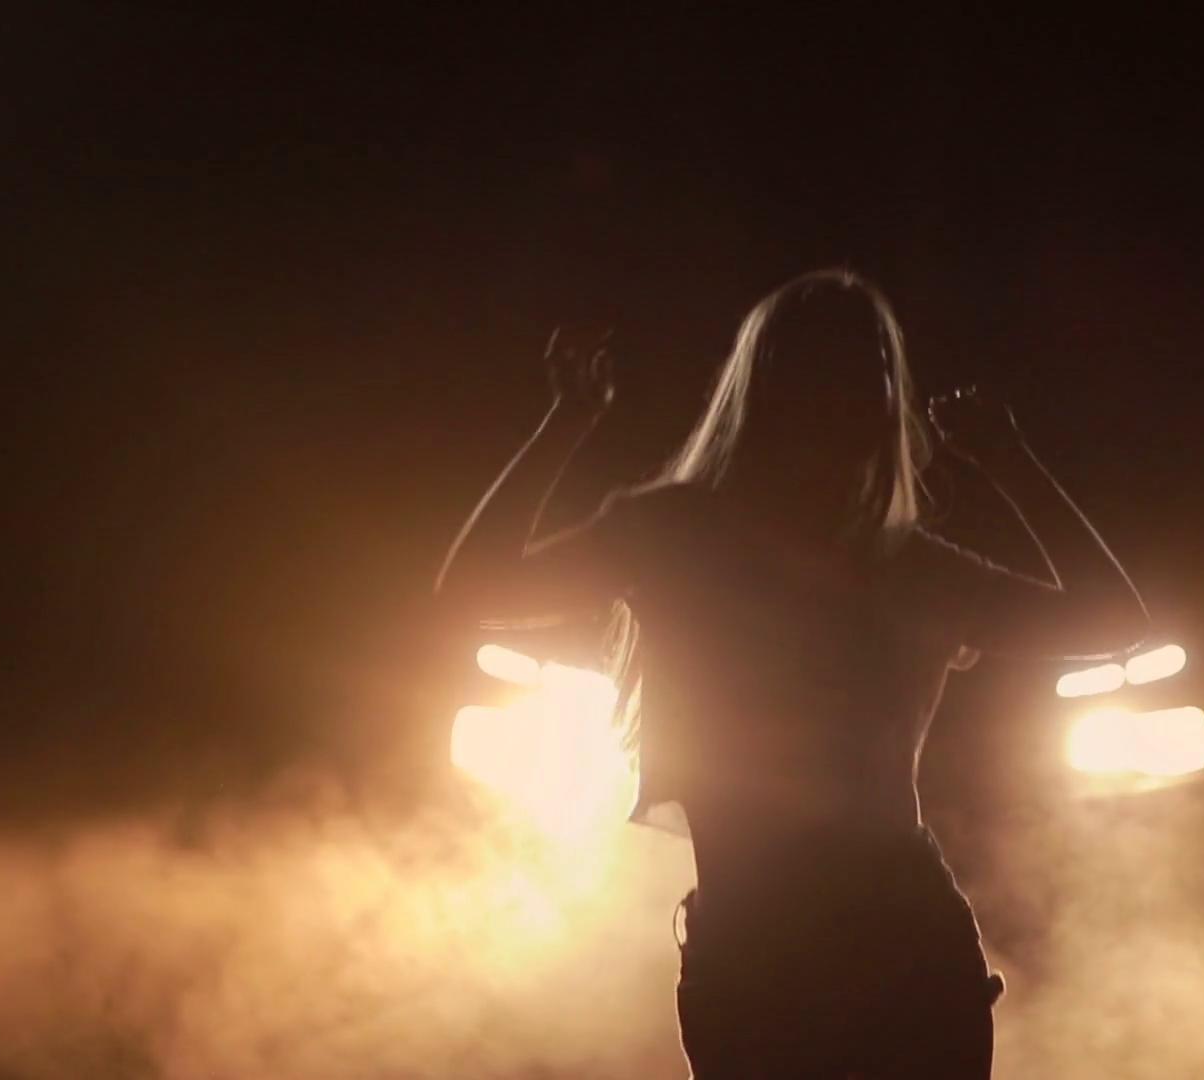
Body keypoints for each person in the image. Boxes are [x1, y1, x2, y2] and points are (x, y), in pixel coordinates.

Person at [436, 268, 1148, 1078]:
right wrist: (1008, 461)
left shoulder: (693, 537)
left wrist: (565, 423)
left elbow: (467, 594)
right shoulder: (890, 565)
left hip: (800, 960)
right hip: (869, 958)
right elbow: (1121, 622)